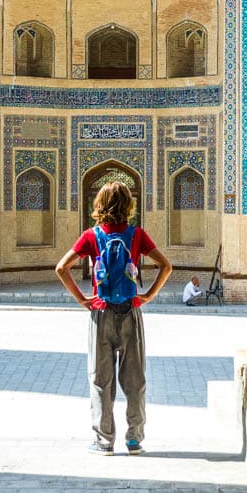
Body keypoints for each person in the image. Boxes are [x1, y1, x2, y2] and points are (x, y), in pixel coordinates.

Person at [55, 179, 172, 455]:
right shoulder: (137, 235)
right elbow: (166, 266)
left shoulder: (91, 236)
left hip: (101, 312)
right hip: (131, 312)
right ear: (128, 205)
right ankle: (134, 439)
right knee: (135, 380)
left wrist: (83, 299)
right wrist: (148, 296)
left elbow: (61, 267)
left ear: (99, 205)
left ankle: (104, 441)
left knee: (100, 379)